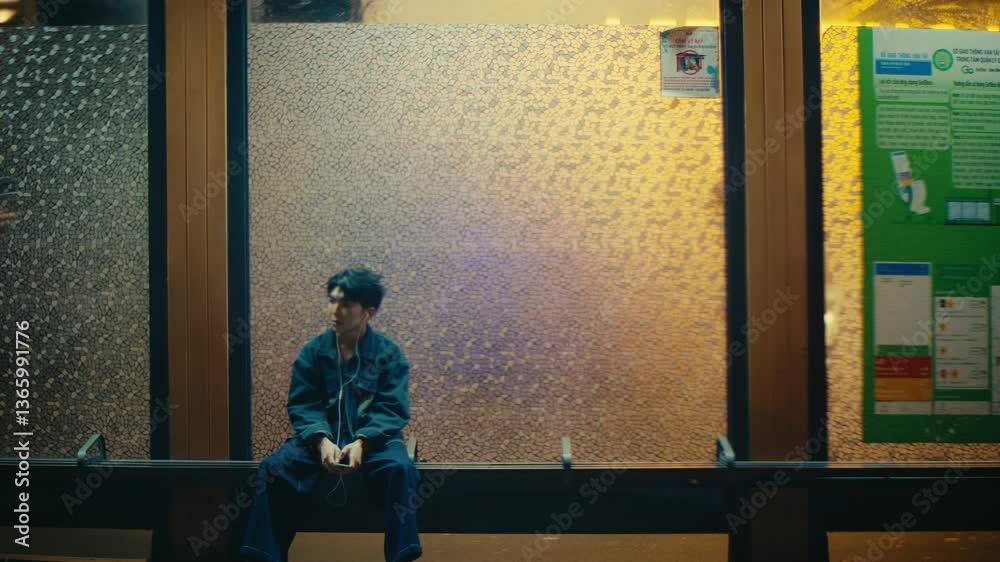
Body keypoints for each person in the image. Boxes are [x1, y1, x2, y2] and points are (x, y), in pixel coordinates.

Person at [241, 268, 422, 562]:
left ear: (369, 312)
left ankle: (400, 556)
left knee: (401, 470)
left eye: (347, 304)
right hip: (318, 438)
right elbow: (303, 404)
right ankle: (266, 556)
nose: (335, 311)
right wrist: (321, 440)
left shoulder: (389, 354)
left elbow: (392, 408)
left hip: (376, 441)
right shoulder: (313, 352)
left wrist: (363, 442)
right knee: (274, 468)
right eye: (332, 301)